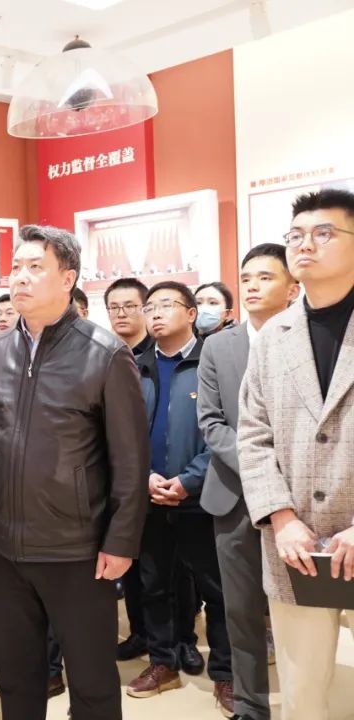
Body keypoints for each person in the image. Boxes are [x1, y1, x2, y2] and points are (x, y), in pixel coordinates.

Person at [0, 225, 149, 720]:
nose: (19, 277)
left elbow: (130, 461)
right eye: (15, 267)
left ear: (68, 279)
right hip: (3, 547)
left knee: (91, 683)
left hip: (77, 549)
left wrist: (121, 541)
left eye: (35, 267)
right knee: (14, 676)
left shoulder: (105, 354)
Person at [239, 188, 354, 720]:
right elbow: (253, 434)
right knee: (302, 694)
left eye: (323, 233)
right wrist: (281, 518)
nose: (305, 245)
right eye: (296, 235)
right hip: (296, 547)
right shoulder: (273, 337)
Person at [198, 243, 298, 720]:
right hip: (233, 496)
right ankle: (251, 706)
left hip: (298, 502)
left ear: (292, 287)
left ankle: (302, 704)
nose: (252, 286)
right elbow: (211, 421)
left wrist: (281, 481)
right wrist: (261, 470)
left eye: (265, 277)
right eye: (246, 278)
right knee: (240, 610)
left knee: (298, 613)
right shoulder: (219, 345)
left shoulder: (309, 341)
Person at [129, 281, 233, 713]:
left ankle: (226, 673)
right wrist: (145, 477)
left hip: (203, 496)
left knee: (217, 590)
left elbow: (228, 429)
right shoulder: (133, 366)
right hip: (149, 496)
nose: (154, 313)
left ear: (191, 313)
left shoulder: (213, 361)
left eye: (166, 305)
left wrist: (189, 480)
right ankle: (163, 662)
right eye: (150, 306)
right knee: (154, 586)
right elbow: (122, 433)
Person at [104, 278, 154, 356]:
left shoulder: (161, 350)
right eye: (114, 307)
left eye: (129, 306)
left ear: (146, 309)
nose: (121, 314)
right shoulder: (101, 353)